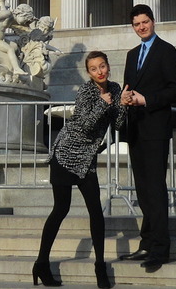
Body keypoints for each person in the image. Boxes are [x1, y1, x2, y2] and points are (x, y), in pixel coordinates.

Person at [34, 51, 125, 288]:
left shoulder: (115, 89)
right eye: (94, 69)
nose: (99, 71)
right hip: (65, 154)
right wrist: (103, 105)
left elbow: (117, 124)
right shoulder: (86, 91)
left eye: (102, 66)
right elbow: (85, 124)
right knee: (60, 209)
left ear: (108, 66)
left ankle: (100, 268)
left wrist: (123, 104)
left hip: (87, 158)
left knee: (96, 212)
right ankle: (41, 263)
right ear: (89, 73)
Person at [117, 4, 176, 271]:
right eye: (136, 24)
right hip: (136, 129)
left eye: (145, 22)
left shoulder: (167, 51)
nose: (141, 27)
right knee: (143, 189)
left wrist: (147, 100)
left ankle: (161, 248)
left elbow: (175, 89)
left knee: (155, 188)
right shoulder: (132, 54)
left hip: (155, 126)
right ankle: (147, 242)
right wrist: (124, 97)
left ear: (153, 22)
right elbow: (128, 86)